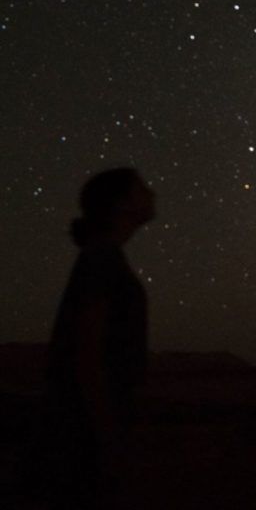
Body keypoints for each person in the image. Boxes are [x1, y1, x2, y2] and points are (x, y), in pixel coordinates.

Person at [19, 167, 156, 509]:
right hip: (82, 437)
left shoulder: (102, 257)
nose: (153, 193)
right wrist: (106, 436)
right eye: (142, 188)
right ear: (123, 203)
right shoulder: (102, 260)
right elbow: (86, 352)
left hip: (83, 431)